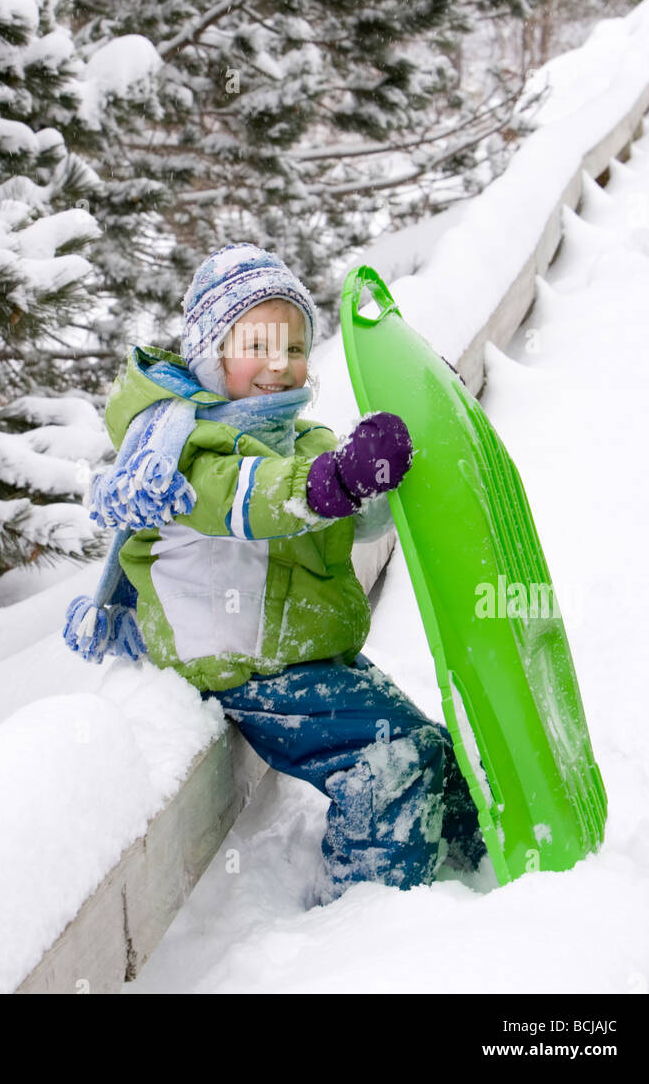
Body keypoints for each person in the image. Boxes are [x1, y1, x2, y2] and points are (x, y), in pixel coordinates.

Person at [64, 242, 487, 905]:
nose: (278, 363)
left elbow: (364, 522)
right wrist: (333, 481)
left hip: (305, 656)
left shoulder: (303, 439)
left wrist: (376, 472)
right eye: (256, 343)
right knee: (386, 759)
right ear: (210, 356)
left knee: (425, 742)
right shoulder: (187, 451)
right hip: (244, 665)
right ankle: (373, 909)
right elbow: (251, 501)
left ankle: (478, 862)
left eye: (292, 347)